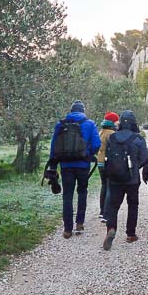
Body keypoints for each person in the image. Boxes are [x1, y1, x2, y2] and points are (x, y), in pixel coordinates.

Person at [47, 100, 101, 239]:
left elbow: (54, 145)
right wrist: (88, 155)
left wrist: (53, 163)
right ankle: (80, 223)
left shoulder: (61, 124)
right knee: (82, 192)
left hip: (66, 166)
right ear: (83, 110)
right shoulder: (89, 124)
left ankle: (67, 229)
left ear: (71, 110)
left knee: (67, 196)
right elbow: (96, 144)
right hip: (83, 165)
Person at [102, 110, 148, 250]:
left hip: (115, 178)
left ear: (120, 122)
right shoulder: (138, 139)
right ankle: (130, 234)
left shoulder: (112, 137)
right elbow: (144, 158)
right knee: (133, 205)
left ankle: (111, 228)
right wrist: (134, 167)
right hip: (132, 179)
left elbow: (107, 156)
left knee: (113, 206)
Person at [96, 111, 120, 222]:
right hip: (108, 163)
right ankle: (106, 213)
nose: (118, 123)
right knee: (110, 187)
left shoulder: (101, 132)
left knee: (104, 186)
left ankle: (101, 211)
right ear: (112, 122)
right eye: (116, 121)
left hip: (100, 162)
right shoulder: (112, 134)